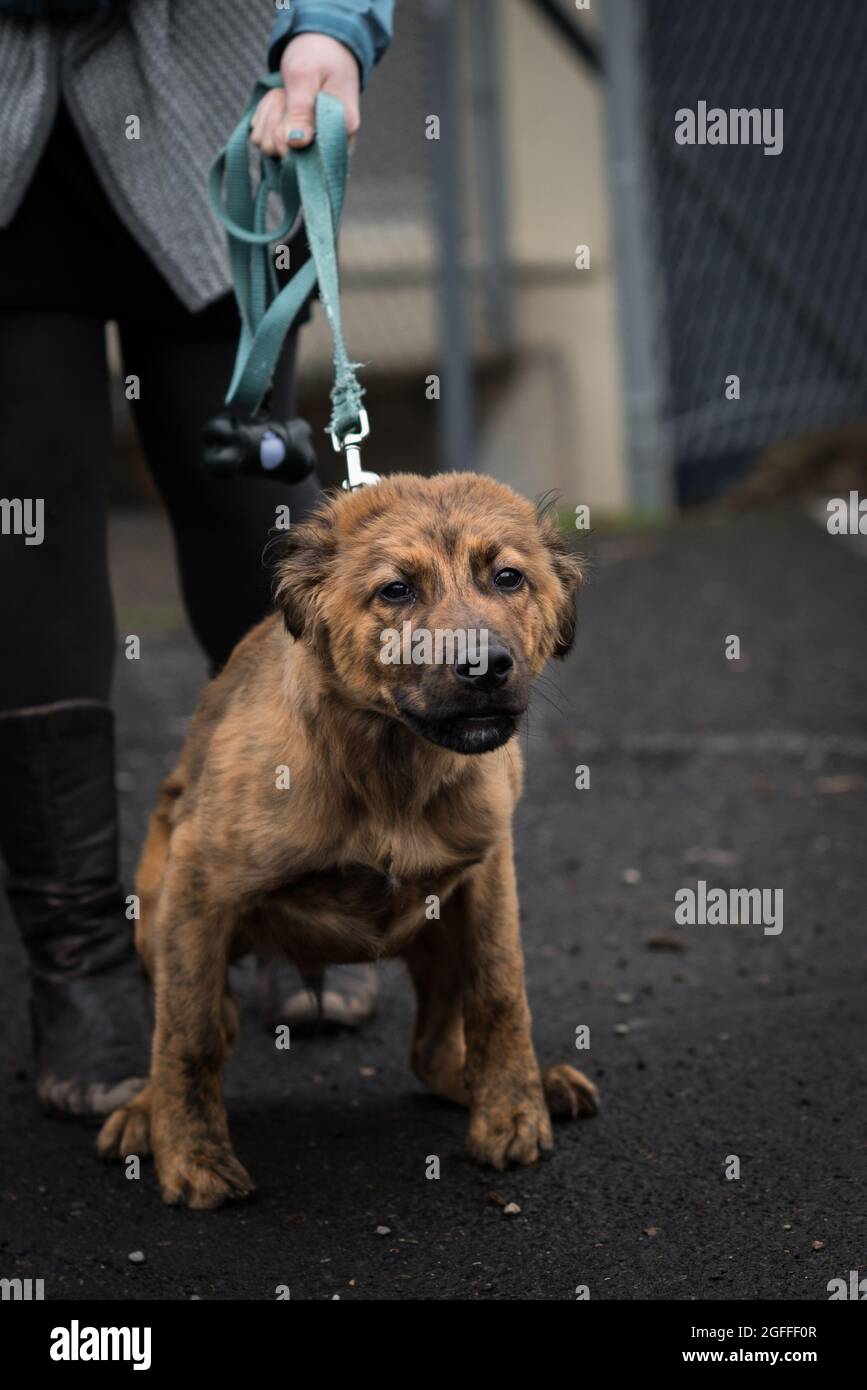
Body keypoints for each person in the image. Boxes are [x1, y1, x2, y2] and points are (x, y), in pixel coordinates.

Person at [0, 0, 395, 1118]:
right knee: (27, 525)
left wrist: (330, 29)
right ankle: (78, 961)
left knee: (252, 516)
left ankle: (313, 886)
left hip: (223, 98)